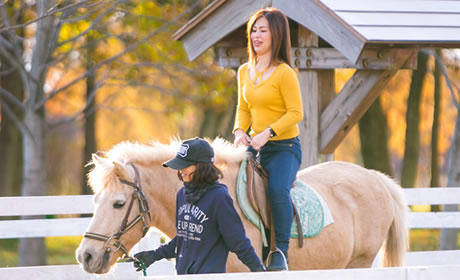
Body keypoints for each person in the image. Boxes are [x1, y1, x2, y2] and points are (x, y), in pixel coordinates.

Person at [129, 137, 265, 274]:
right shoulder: (182, 195)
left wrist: (258, 270)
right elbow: (184, 238)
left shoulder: (219, 198)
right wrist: (154, 255)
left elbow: (238, 241)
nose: (180, 170)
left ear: (201, 166)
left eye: (185, 165)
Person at [233, 7, 303, 271]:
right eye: (254, 30)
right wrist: (240, 131)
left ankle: (280, 252)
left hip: (284, 149)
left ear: (277, 35)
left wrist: (267, 133)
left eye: (263, 30)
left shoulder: (285, 72)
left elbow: (296, 112)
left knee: (276, 190)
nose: (256, 35)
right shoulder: (243, 71)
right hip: (253, 146)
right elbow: (243, 108)